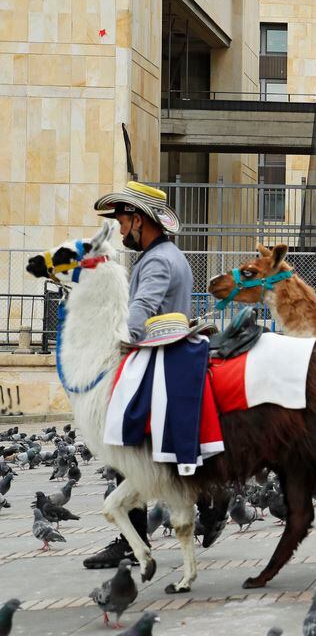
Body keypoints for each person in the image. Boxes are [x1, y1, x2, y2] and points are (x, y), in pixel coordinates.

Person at [84, 182, 194, 569]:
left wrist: (119, 343)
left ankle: (131, 542)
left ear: (139, 220)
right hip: (166, 364)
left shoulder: (158, 261)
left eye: (122, 220)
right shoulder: (168, 255)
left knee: (122, 443)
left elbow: (142, 309)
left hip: (154, 368)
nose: (118, 229)